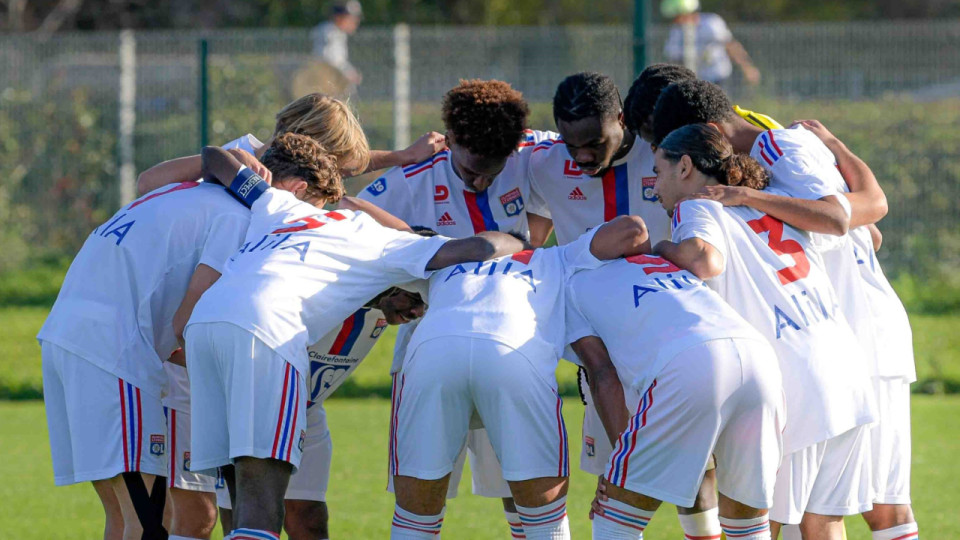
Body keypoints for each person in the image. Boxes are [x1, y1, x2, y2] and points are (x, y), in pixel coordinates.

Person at [184, 145, 527, 540]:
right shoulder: (379, 241)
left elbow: (213, 156)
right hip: (264, 330)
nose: (412, 311)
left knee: (239, 490)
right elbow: (479, 248)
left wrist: (249, 162)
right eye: (413, 299)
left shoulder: (282, 205)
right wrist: (519, 240)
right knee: (263, 501)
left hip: (204, 326)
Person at [35, 139, 281, 538]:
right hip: (114, 356)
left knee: (124, 517)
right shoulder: (236, 217)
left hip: (66, 340)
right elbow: (187, 321)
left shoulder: (176, 192)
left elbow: (149, 179)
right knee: (151, 524)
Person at [652, 124, 877, 539]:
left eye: (658, 171)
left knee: (756, 526)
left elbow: (703, 260)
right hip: (847, 368)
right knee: (824, 523)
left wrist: (657, 249)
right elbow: (871, 235)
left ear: (684, 167)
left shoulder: (696, 205)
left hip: (797, 383)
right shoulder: (771, 204)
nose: (654, 185)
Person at [526, 71, 724, 539]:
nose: (582, 155)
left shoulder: (666, 156)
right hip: (597, 343)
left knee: (700, 474)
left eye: (594, 142)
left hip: (672, 338)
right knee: (616, 485)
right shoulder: (540, 163)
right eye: (571, 145)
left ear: (621, 118)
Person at [358, 78, 555, 537]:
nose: (480, 180)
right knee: (420, 494)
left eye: (492, 171)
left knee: (524, 491)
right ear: (449, 139)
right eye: (470, 170)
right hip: (430, 343)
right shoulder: (409, 181)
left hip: (513, 339)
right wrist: (386, 294)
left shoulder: (532, 153)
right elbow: (347, 229)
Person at [390, 216, 650, 540]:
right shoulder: (554, 257)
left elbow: (380, 226)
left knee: (414, 520)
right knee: (544, 521)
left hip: (431, 353)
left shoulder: (450, 260)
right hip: (513, 355)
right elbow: (631, 229)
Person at [566, 252, 784, 540]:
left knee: (615, 516)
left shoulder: (569, 281)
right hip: (759, 356)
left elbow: (604, 375)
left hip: (691, 360)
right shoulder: (660, 261)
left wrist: (620, 464)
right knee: (747, 523)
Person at [216, 280, 428, 540]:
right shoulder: (319, 285)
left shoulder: (387, 300)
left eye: (423, 303)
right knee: (247, 515)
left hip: (308, 408)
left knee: (310, 519)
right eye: (413, 299)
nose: (417, 312)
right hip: (254, 404)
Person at [136, 92, 446, 196]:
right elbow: (147, 184)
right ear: (304, 149)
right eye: (331, 167)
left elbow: (352, 164)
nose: (335, 176)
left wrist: (404, 156)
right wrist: (221, 159)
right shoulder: (234, 161)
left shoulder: (285, 175)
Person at [660, 0, 760, 88]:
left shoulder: (711, 23)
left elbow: (731, 46)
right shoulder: (676, 32)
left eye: (677, 16)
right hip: (696, 81)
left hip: (718, 77)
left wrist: (747, 68)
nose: (676, 21)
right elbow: (673, 59)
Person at [311, 0, 363, 87]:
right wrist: (347, 73)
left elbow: (339, 61)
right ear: (339, 17)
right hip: (324, 81)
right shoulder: (329, 32)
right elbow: (327, 59)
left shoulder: (338, 33)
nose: (355, 22)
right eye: (351, 18)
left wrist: (349, 71)